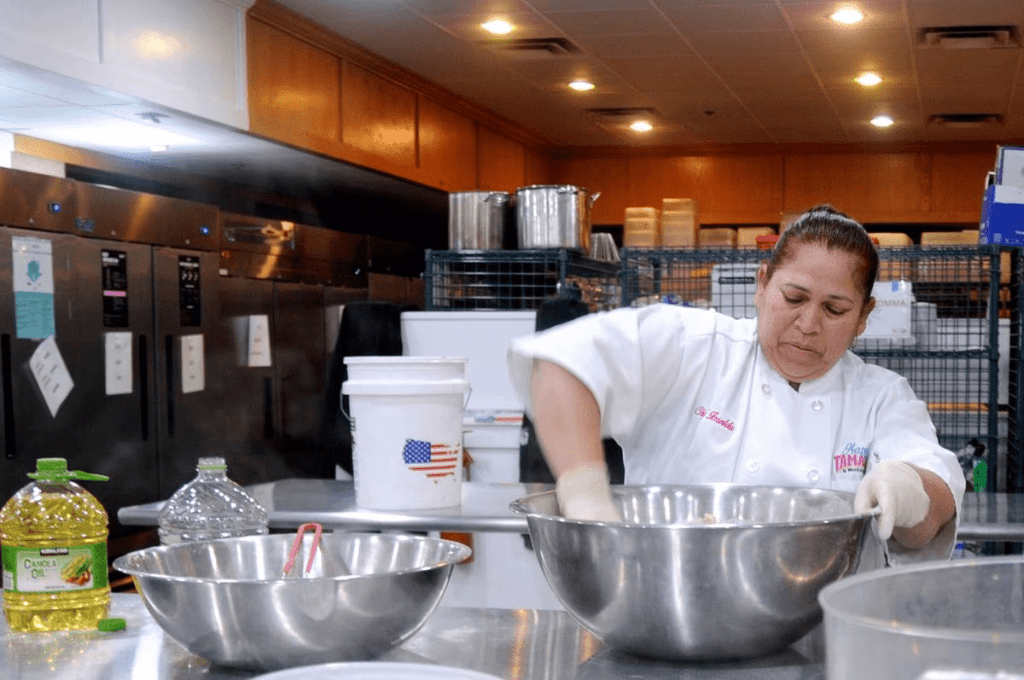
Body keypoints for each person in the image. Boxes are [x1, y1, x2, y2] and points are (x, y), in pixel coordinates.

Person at [507, 205, 963, 562]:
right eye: (794, 298)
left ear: (863, 317)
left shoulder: (880, 397)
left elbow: (935, 509)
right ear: (762, 284)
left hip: (824, 632)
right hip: (669, 611)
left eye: (835, 309)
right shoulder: (693, 348)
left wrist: (907, 490)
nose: (808, 324)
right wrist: (586, 499)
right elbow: (560, 365)